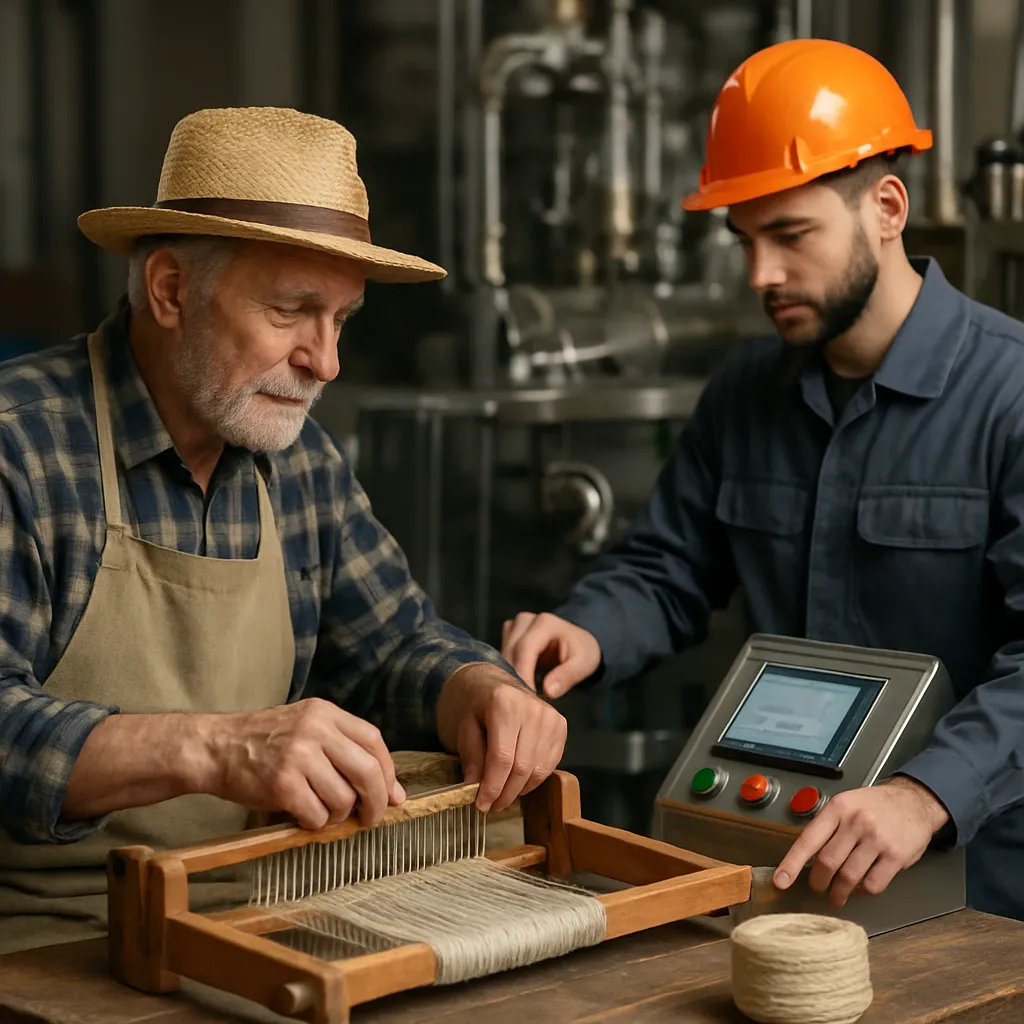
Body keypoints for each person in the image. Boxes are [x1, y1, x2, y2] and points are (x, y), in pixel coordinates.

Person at [0, 106, 566, 953]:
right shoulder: (20, 447)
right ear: (170, 290)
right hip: (50, 936)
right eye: (292, 310)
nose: (325, 361)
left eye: (341, 319)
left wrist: (479, 689)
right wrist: (216, 750)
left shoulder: (298, 463)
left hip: (260, 908)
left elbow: (394, 646)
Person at [502, 38, 1024, 922]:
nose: (761, 275)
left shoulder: (1009, 394)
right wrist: (588, 630)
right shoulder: (746, 391)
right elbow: (668, 567)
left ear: (886, 208)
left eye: (790, 235)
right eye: (745, 240)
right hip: (779, 865)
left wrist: (926, 793)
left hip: (984, 890)